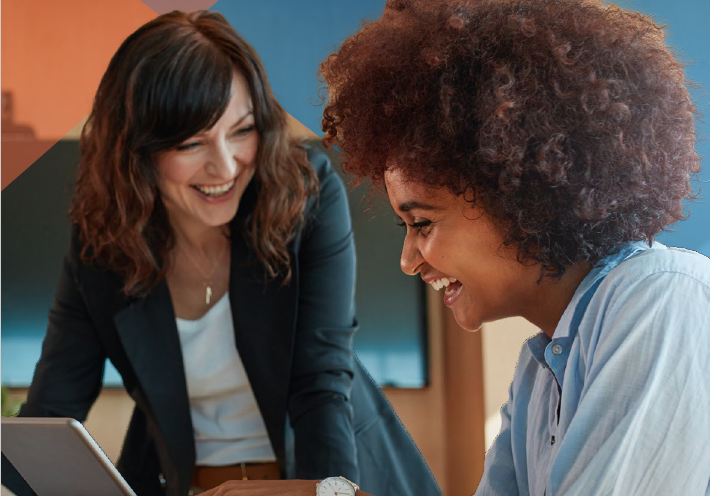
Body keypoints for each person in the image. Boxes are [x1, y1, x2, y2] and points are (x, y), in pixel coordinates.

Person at [196, 0, 710, 494]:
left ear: (521, 194)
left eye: (423, 223)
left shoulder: (664, 302)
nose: (408, 261)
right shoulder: (540, 373)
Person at [0, 10, 439, 496]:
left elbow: (320, 381)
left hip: (328, 477)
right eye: (192, 142)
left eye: (241, 130)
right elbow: (52, 413)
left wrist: (321, 492)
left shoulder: (305, 194)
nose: (226, 165)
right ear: (134, 151)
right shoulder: (102, 242)